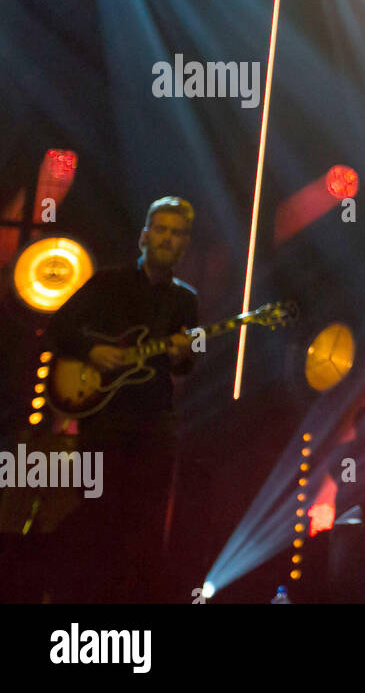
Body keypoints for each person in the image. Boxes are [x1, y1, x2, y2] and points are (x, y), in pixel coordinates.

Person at [45, 196, 199, 602]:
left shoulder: (186, 301)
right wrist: (90, 352)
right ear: (144, 237)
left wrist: (185, 355)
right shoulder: (107, 283)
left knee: (146, 521)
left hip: (155, 419)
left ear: (185, 244)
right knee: (95, 515)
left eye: (178, 233)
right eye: (162, 230)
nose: (169, 239)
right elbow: (59, 326)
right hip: (106, 417)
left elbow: (183, 368)